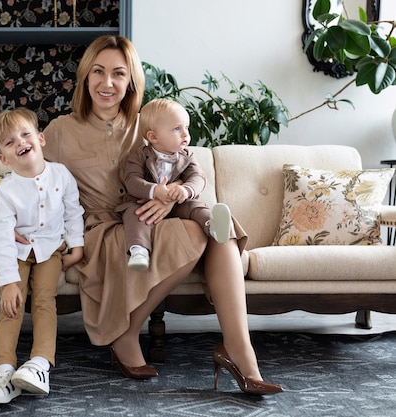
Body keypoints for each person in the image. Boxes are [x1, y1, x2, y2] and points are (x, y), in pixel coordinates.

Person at [42, 35, 282, 394]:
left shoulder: (150, 123)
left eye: (119, 74)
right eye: (99, 72)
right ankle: (126, 333)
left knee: (220, 228)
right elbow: (33, 184)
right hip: (106, 230)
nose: (108, 83)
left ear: (131, 81)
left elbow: (189, 169)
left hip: (162, 217)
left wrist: (172, 198)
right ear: (85, 76)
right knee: (196, 233)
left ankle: (240, 352)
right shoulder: (59, 131)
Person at [0, 107, 85, 405]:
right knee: (11, 305)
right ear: (4, 158)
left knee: (43, 300)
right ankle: (3, 371)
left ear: (40, 139)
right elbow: (1, 236)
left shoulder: (61, 175)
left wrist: (76, 247)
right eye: (10, 142)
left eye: (25, 134)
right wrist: (9, 282)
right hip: (16, 251)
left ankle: (40, 364)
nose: (20, 142)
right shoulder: (7, 190)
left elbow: (73, 212)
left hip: (50, 250)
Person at [116, 98, 232, 271]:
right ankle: (139, 250)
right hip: (144, 204)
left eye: (186, 127)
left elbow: (198, 176)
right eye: (177, 129)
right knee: (133, 213)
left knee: (196, 206)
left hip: (177, 204)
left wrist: (186, 190)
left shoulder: (187, 155)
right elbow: (132, 181)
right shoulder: (139, 156)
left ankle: (213, 226)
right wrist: (154, 191)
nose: (185, 134)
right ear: (153, 137)